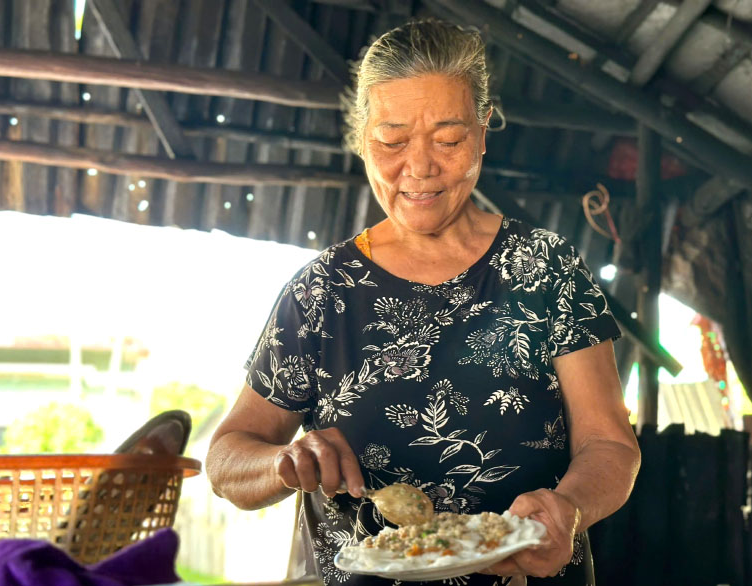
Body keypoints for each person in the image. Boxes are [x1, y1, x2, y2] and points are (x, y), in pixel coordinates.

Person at [206, 19, 640, 586]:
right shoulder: (321, 293)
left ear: (484, 132)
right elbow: (226, 458)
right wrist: (283, 462)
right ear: (363, 138)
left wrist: (571, 509)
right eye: (391, 140)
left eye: (450, 138)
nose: (420, 166)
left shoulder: (545, 268)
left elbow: (609, 444)